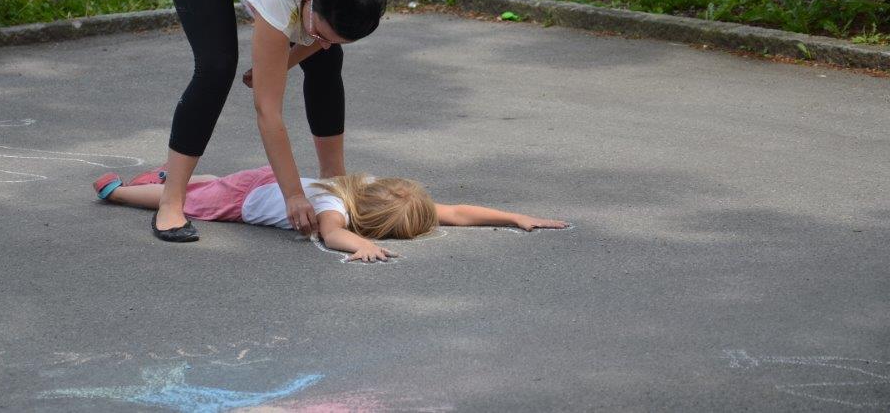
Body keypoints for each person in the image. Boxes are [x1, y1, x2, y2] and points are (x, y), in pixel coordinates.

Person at [154, 0, 387, 243]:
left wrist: (286, 60)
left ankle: (335, 179)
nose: (323, 40)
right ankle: (170, 202)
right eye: (322, 31)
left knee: (327, 59)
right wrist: (293, 195)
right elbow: (267, 109)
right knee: (216, 67)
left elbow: (321, 41)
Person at [93, 167, 571, 262]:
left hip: (261, 182)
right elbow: (333, 236)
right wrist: (359, 245)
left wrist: (514, 217)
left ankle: (169, 177)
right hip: (242, 201)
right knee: (186, 200)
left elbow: (455, 212)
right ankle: (120, 192)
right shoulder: (332, 208)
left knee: (210, 183)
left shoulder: (360, 187)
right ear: (370, 223)